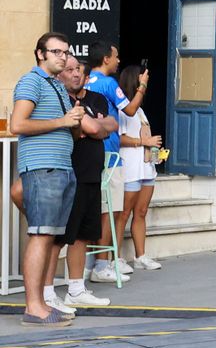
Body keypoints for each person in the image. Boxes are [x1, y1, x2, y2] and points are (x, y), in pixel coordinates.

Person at [13, 32, 84, 326]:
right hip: (43, 168)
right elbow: (18, 123)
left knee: (50, 236)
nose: (63, 57)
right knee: (41, 235)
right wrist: (63, 121)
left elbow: (69, 130)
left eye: (66, 52)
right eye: (56, 52)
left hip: (61, 167)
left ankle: (42, 303)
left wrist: (75, 122)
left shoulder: (56, 85)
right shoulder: (31, 81)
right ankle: (33, 308)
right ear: (40, 53)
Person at [48, 56, 118, 314]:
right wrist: (95, 126)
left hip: (92, 174)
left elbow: (110, 125)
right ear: (60, 75)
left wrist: (93, 125)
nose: (76, 74)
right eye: (69, 70)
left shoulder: (96, 98)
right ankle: (46, 293)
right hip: (69, 174)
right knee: (58, 236)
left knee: (82, 235)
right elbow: (96, 128)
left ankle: (75, 290)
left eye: (78, 69)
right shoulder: (59, 99)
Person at [84, 40, 148, 283]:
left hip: (92, 152)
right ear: (106, 59)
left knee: (101, 208)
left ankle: (99, 263)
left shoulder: (88, 81)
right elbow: (130, 110)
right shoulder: (109, 83)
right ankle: (101, 265)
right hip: (109, 154)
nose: (119, 61)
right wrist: (141, 86)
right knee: (110, 209)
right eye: (116, 56)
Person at [116, 63, 162, 271]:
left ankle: (140, 255)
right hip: (130, 167)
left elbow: (145, 137)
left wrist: (154, 153)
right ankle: (115, 258)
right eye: (142, 79)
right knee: (123, 213)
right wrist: (145, 143)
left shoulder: (140, 110)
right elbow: (120, 139)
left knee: (141, 212)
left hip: (145, 167)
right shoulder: (122, 109)